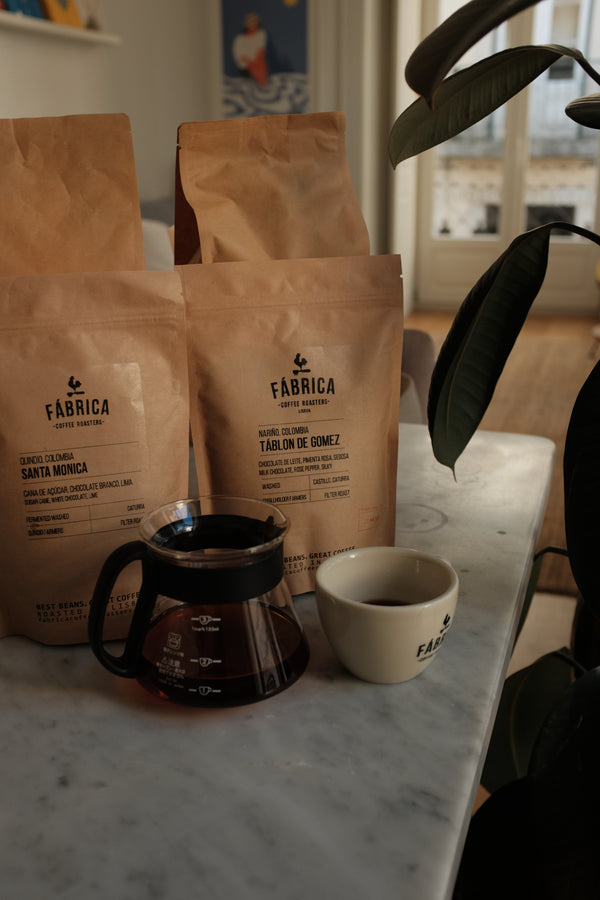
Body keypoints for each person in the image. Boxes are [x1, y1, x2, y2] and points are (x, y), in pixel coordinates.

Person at [232, 12, 269, 86]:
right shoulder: (240, 39)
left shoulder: (261, 34)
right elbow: (239, 55)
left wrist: (256, 58)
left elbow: (260, 49)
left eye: (255, 23)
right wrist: (247, 61)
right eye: (251, 23)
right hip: (247, 67)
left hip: (258, 64)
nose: (253, 25)